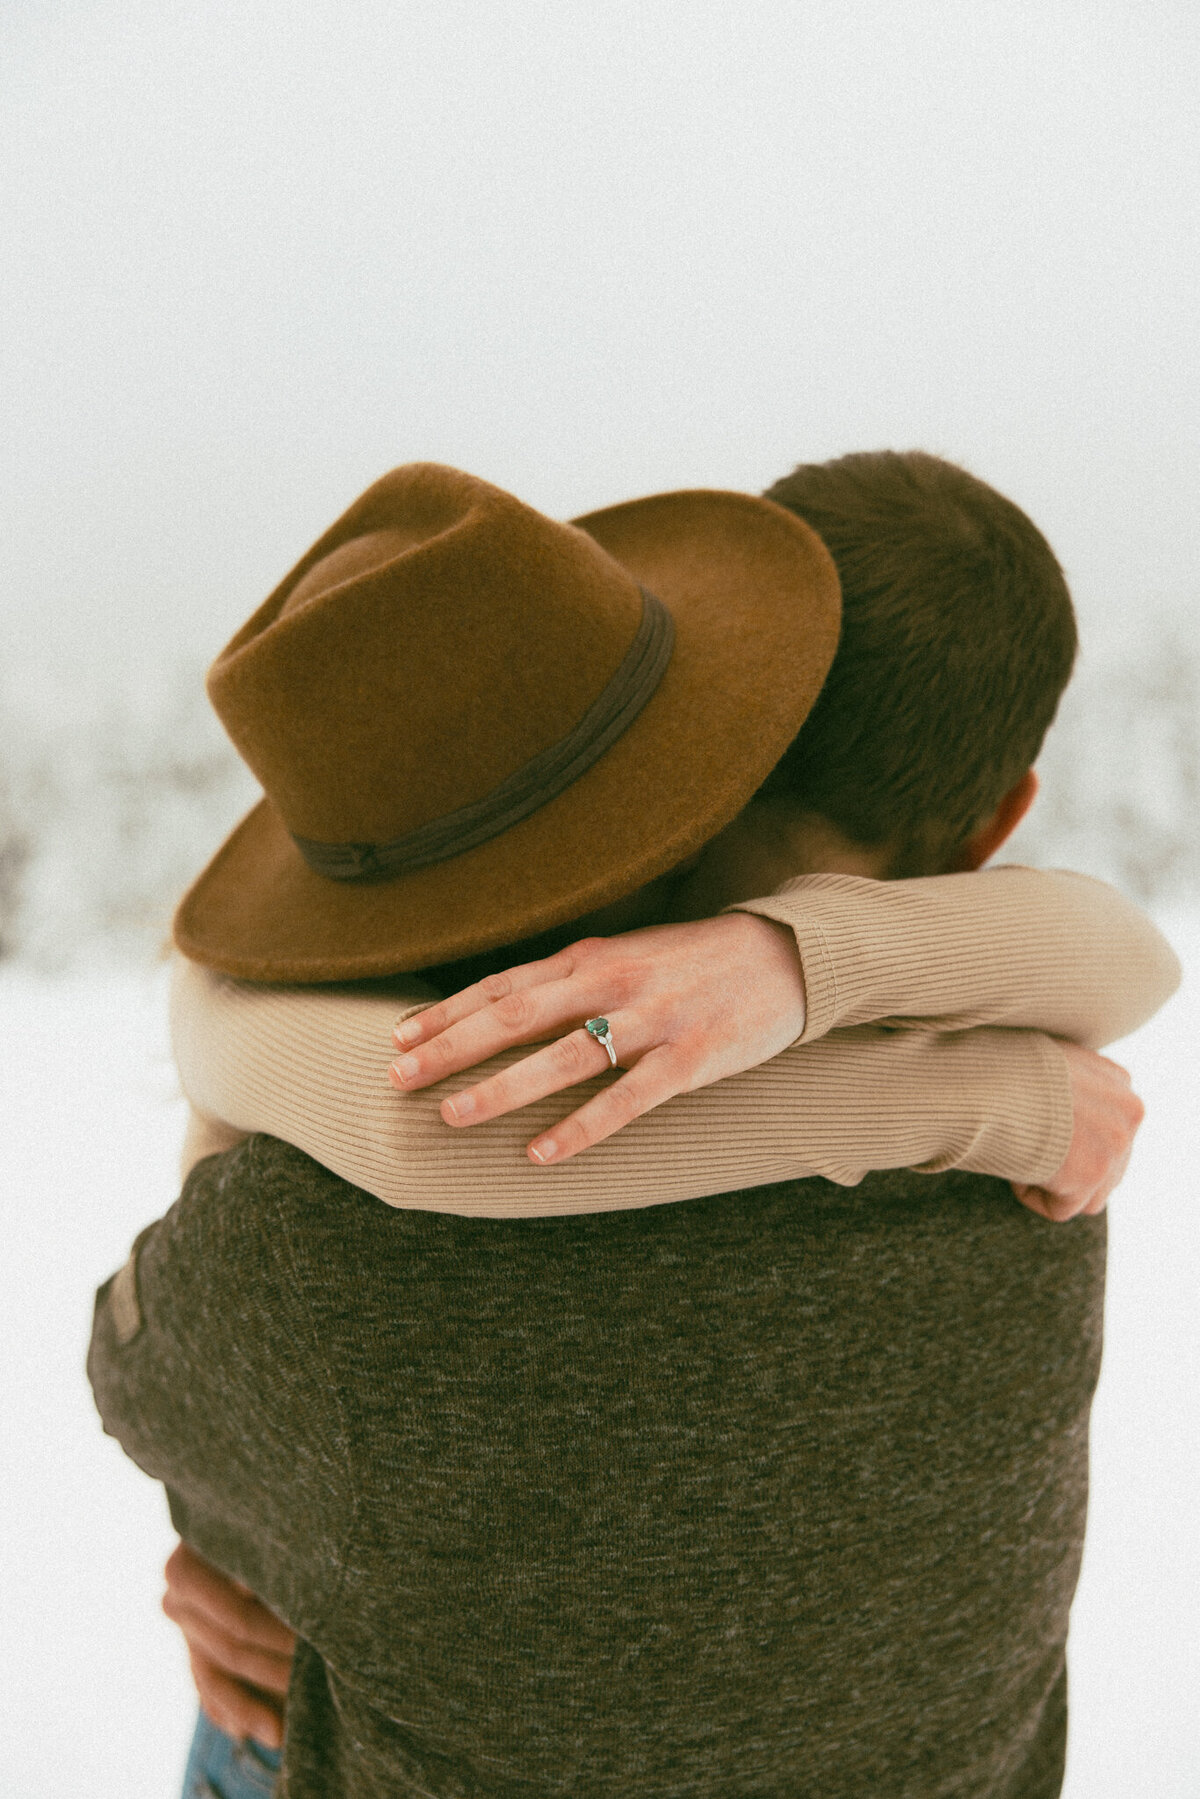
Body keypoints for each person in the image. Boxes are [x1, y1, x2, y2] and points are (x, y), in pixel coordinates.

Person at [91, 458, 1176, 1798]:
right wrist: (932, 1064)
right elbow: (1122, 955)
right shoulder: (1049, 1156)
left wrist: (240, 1538)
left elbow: (141, 1366)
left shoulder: (314, 1252)